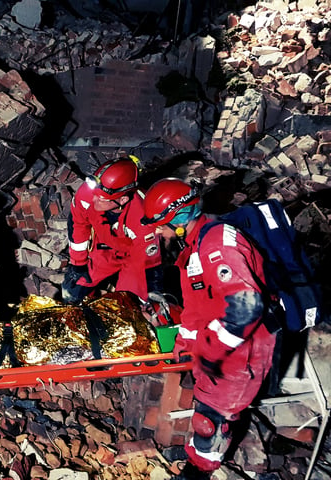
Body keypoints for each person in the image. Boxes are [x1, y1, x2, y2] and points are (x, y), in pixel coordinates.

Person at [141, 178, 278, 480]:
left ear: (179, 219)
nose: (157, 231)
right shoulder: (194, 246)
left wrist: (210, 349)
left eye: (160, 225)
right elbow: (196, 305)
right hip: (217, 345)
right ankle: (199, 453)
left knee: (212, 418)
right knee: (206, 404)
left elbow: (246, 308)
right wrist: (185, 341)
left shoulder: (217, 244)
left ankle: (200, 470)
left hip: (242, 351)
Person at [62, 156, 164, 305]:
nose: (94, 200)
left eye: (102, 199)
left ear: (122, 200)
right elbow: (78, 227)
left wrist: (152, 291)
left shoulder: (143, 216)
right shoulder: (86, 194)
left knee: (126, 304)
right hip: (103, 248)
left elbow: (149, 261)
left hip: (134, 256)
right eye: (95, 194)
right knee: (72, 291)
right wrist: (78, 264)